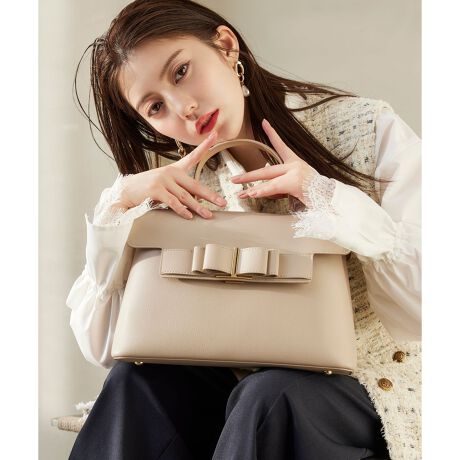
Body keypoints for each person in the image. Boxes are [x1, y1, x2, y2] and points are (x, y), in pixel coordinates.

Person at [66, 1, 421, 459]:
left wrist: (327, 197)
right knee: (136, 379)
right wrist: (122, 204)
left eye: (181, 72)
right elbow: (105, 347)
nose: (184, 108)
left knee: (270, 396)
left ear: (226, 45)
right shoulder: (174, 185)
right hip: (244, 388)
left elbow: (426, 309)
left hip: (372, 384)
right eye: (155, 106)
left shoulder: (364, 128)